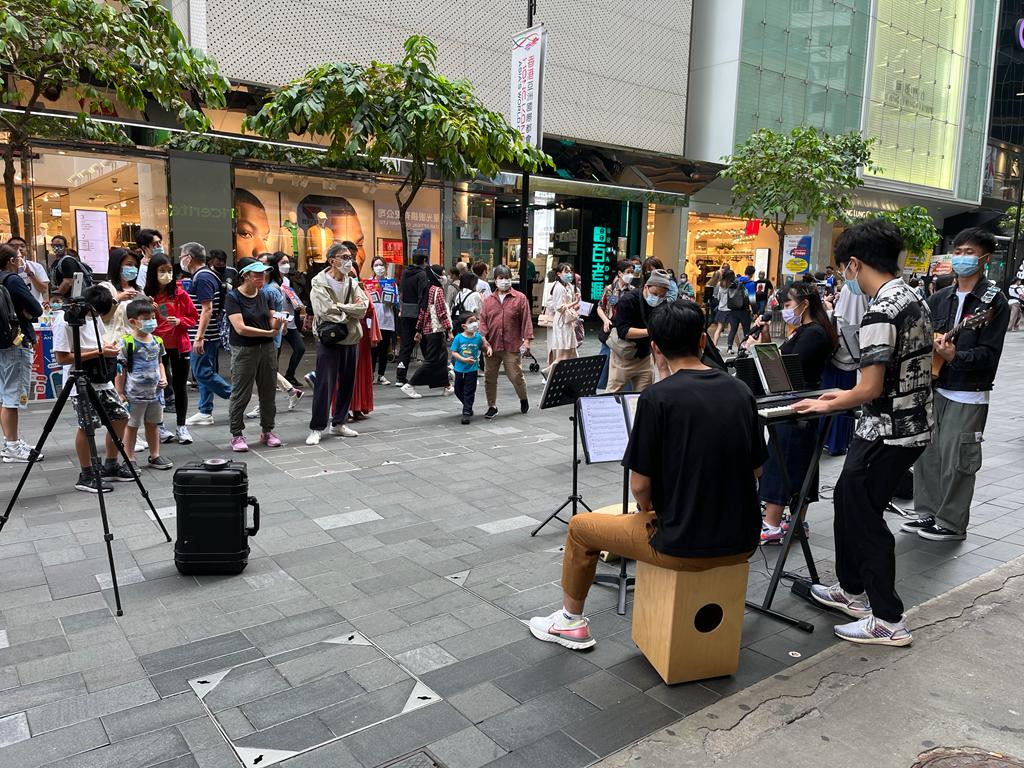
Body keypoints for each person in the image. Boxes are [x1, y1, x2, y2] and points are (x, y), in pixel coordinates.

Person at [528, 300, 764, 649]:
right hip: (743, 540)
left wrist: (648, 509)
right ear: (702, 341)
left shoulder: (658, 398)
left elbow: (640, 486)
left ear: (655, 348)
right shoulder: (740, 391)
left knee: (580, 529)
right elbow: (757, 469)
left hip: (681, 543)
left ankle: (570, 622)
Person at [794, 219, 933, 647]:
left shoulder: (880, 310)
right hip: (910, 425)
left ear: (854, 264)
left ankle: (887, 618)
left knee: (864, 518)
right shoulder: (912, 297)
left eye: (842, 271)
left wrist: (825, 402)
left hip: (885, 431)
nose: (843, 280)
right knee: (848, 502)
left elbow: (868, 388)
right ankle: (851, 591)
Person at [901, 228, 1009, 543]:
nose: (962, 258)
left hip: (968, 391)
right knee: (929, 453)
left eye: (969, 252)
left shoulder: (993, 301)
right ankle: (927, 511)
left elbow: (989, 353)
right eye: (958, 251)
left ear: (985, 259)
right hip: (935, 385)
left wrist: (955, 355)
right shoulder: (939, 296)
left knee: (958, 458)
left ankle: (951, 521)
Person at [756, 283, 838, 544]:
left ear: (805, 303)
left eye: (788, 305)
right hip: (797, 401)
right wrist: (765, 339)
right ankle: (796, 522)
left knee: (784, 460)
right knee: (798, 461)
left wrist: (761, 353)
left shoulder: (814, 333)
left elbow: (788, 367)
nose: (785, 310)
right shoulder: (805, 331)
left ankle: (772, 524)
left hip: (799, 404)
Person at [52, 286, 133, 491]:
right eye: (95, 313)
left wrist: (109, 348)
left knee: (120, 416)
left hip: (102, 378)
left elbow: (102, 339)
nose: (96, 317)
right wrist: (99, 352)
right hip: (79, 380)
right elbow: (62, 358)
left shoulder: (93, 315)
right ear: (86, 305)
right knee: (87, 426)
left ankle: (111, 464)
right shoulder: (65, 320)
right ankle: (86, 474)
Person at [305, 243, 367, 445]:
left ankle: (339, 422)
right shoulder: (319, 283)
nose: (349, 261)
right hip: (329, 338)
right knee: (325, 384)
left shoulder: (352, 282)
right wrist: (350, 312)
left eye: (350, 257)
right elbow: (324, 311)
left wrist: (339, 308)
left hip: (351, 338)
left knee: (348, 382)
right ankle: (317, 427)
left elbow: (363, 308)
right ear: (332, 260)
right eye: (344, 257)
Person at [225, 258, 284, 452]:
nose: (262, 277)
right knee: (241, 393)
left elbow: (272, 317)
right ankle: (236, 434)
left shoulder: (265, 295)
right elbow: (240, 328)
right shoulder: (233, 297)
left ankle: (268, 431)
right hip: (244, 350)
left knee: (268, 392)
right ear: (246, 276)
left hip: (266, 349)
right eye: (257, 274)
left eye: (263, 273)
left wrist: (280, 320)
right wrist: (268, 333)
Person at [144, 253, 198, 445]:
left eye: (169, 271)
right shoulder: (147, 296)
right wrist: (149, 310)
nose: (166, 274)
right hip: (156, 349)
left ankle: (181, 426)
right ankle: (159, 426)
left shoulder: (180, 294)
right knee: (158, 386)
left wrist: (181, 321)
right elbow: (139, 323)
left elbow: (193, 316)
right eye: (161, 271)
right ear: (153, 272)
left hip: (180, 346)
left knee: (180, 386)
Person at [114, 299, 172, 471]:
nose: (151, 321)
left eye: (153, 317)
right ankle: (129, 458)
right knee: (131, 426)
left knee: (154, 423)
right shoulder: (126, 342)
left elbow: (160, 362)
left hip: (155, 393)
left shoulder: (157, 341)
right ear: (133, 321)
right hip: (134, 394)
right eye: (146, 318)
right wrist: (119, 391)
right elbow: (120, 368)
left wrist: (164, 378)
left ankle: (155, 455)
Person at [245, 253, 303, 419]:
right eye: (258, 265)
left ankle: (264, 405)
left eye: (264, 266)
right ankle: (292, 391)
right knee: (267, 370)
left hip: (268, 336)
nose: (260, 270)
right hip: (267, 335)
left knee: (265, 371)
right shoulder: (267, 287)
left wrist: (281, 326)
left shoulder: (269, 289)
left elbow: (278, 313)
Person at [0, 244, 43, 463]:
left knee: (4, 394)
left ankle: (11, 441)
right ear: (10, 261)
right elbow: (36, 308)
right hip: (16, 342)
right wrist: (27, 312)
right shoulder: (13, 280)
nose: (21, 261)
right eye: (18, 258)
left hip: (2, 342)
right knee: (12, 396)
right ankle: (12, 446)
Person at [181, 243, 232, 427]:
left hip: (205, 334)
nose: (181, 260)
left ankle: (234, 395)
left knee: (201, 372)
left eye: (182, 256)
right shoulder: (205, 275)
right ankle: (205, 411)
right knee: (205, 371)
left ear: (189, 257)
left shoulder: (202, 277)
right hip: (206, 334)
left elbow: (207, 309)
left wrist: (199, 337)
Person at [479, 265, 532, 419]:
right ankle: (492, 406)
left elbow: (526, 320)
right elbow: (483, 321)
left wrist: (527, 340)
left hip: (512, 344)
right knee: (490, 377)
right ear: (495, 280)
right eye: (501, 278)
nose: (504, 281)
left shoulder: (520, 298)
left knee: (516, 375)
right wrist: (483, 339)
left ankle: (523, 398)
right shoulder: (488, 301)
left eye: (507, 278)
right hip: (491, 345)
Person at [606, 269, 672, 393]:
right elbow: (623, 331)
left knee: (644, 395)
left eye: (662, 296)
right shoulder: (628, 300)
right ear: (646, 286)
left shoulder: (662, 303)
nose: (657, 298)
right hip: (624, 355)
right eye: (655, 294)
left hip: (645, 357)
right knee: (612, 394)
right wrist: (651, 331)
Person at [402, 264, 453, 399]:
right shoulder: (438, 290)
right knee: (432, 360)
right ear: (436, 275)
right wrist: (449, 329)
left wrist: (419, 329)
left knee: (441, 359)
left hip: (428, 330)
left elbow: (423, 311)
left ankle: (447, 386)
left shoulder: (428, 288)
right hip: (436, 330)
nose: (444, 276)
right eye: (442, 273)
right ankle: (410, 385)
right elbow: (442, 312)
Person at [596, 260, 637, 391]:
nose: (631, 275)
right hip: (610, 330)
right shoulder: (610, 289)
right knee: (605, 358)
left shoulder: (634, 291)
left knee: (626, 360)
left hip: (626, 331)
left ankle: (626, 391)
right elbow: (600, 307)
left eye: (632, 272)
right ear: (620, 273)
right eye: (628, 272)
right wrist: (605, 320)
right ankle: (602, 386)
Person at [396, 250, 430, 386]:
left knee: (406, 345)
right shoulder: (422, 275)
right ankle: (432, 373)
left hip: (405, 313)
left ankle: (400, 375)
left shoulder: (405, 273)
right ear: (424, 261)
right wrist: (423, 312)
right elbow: (422, 296)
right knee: (425, 344)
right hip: (417, 313)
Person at [274, 251, 307, 388]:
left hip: (290, 321)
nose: (287, 265)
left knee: (300, 348)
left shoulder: (287, 281)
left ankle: (289, 375)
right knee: (276, 352)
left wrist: (297, 304)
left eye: (288, 262)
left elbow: (292, 299)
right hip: (278, 321)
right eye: (283, 263)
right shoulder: (272, 283)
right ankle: (274, 379)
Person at [450, 312, 490, 424]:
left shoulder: (477, 337)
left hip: (472, 370)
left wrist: (488, 349)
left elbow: (483, 347)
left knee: (469, 391)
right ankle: (467, 404)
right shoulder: (458, 338)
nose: (475, 324)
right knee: (458, 390)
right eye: (471, 321)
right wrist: (463, 360)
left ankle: (466, 411)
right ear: (464, 326)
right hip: (459, 369)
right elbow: (454, 352)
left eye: (475, 321)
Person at [543, 262, 580, 375]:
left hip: (567, 322)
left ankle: (563, 374)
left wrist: (574, 305)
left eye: (570, 272)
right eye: (566, 272)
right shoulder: (558, 287)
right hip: (562, 323)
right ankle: (547, 372)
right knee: (563, 355)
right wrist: (575, 302)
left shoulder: (568, 286)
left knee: (571, 352)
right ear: (559, 274)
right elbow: (559, 307)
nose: (570, 274)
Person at [368, 255, 398, 385]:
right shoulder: (368, 283)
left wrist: (391, 299)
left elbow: (396, 302)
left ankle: (381, 374)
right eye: (376, 265)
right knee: (372, 350)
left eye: (381, 265)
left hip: (386, 319)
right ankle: (371, 374)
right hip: (372, 321)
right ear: (372, 268)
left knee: (384, 348)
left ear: (385, 267)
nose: (379, 268)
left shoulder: (391, 283)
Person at [6, 237, 48, 304]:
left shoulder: (36, 266)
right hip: (13, 311)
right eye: (14, 246)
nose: (20, 249)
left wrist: (29, 272)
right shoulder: (4, 268)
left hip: (35, 309)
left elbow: (44, 289)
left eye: (22, 246)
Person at [725, 270, 752, 354]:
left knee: (733, 329)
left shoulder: (729, 285)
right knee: (746, 330)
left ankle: (729, 348)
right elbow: (747, 296)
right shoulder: (743, 284)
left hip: (733, 310)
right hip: (743, 310)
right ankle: (746, 347)